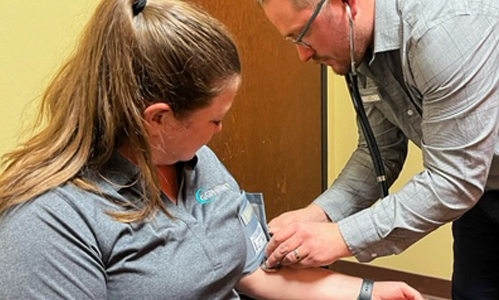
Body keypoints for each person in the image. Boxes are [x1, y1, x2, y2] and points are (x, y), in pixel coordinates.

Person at [0, 0, 426, 299]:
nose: (219, 133)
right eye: (215, 120)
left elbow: (252, 269)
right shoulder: (48, 223)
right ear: (158, 119)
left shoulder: (194, 161)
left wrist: (370, 292)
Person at [257, 0, 499, 298]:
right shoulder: (361, 44)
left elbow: (453, 181)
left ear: (347, 4)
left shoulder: (448, 26)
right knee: (474, 292)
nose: (302, 55)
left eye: (302, 35)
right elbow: (378, 152)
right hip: (487, 179)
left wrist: (340, 238)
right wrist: (319, 215)